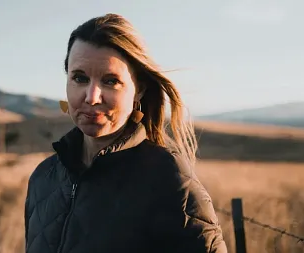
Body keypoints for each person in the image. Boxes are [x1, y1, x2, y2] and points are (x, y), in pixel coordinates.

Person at [24, 13, 227, 253]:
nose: (91, 97)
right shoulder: (43, 177)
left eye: (110, 81)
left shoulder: (168, 178)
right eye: (79, 78)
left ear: (138, 90)